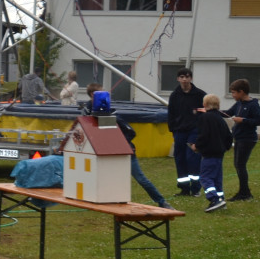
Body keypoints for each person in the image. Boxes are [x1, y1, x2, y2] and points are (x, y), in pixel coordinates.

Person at [85, 85, 173, 209]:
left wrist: (121, 144)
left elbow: (131, 132)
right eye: (96, 95)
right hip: (104, 153)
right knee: (101, 176)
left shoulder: (112, 115)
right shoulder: (87, 114)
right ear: (91, 96)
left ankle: (162, 202)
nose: (99, 98)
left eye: (101, 95)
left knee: (141, 178)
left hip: (126, 152)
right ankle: (103, 199)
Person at [167, 68, 206, 196]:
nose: (184, 79)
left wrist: (202, 128)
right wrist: (172, 129)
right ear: (178, 79)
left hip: (195, 131)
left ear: (191, 78)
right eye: (182, 77)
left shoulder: (200, 94)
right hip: (179, 130)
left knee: (192, 157)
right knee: (180, 158)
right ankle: (184, 188)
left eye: (187, 77)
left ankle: (195, 188)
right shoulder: (174, 95)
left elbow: (206, 112)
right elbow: (171, 114)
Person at [191, 93, 233, 213]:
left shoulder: (204, 118)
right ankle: (221, 199)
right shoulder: (221, 119)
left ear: (204, 104)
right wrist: (225, 147)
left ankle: (214, 199)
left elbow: (203, 135)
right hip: (219, 153)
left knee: (205, 177)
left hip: (209, 153)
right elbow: (229, 136)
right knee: (216, 179)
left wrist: (196, 146)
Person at [225, 79, 259, 201]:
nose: (233, 95)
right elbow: (228, 113)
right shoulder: (238, 103)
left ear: (242, 92)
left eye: (234, 92)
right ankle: (244, 192)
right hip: (238, 137)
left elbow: (257, 120)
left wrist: (243, 121)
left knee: (240, 165)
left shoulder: (253, 104)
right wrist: (211, 110)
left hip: (248, 139)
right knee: (237, 165)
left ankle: (245, 194)